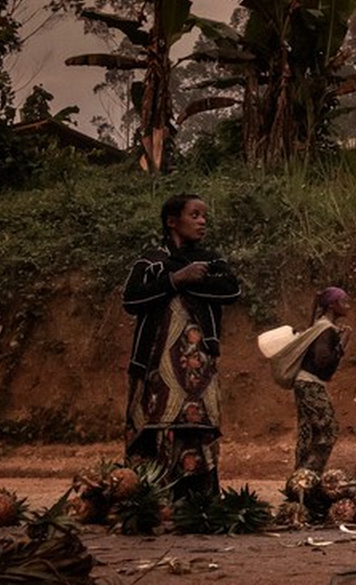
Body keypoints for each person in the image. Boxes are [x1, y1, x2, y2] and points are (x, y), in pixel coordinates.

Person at [123, 193, 241, 499]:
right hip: (153, 366)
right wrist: (175, 279)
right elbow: (132, 299)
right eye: (195, 215)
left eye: (204, 216)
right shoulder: (151, 262)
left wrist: (192, 279)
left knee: (198, 426)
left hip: (198, 368)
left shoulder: (210, 261)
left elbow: (232, 289)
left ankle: (199, 501)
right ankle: (151, 501)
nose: (202, 222)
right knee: (154, 425)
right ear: (172, 222)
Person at [294, 286, 351, 471]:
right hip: (311, 384)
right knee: (328, 430)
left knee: (308, 432)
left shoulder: (321, 326)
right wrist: (341, 344)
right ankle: (310, 477)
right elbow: (322, 362)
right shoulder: (326, 329)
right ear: (333, 305)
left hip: (304, 383)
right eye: (344, 302)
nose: (348, 306)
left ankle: (299, 481)